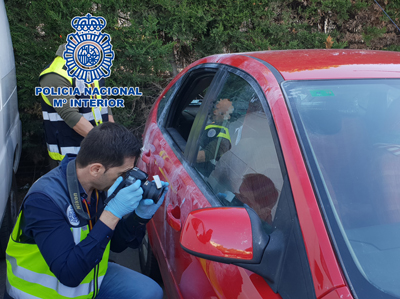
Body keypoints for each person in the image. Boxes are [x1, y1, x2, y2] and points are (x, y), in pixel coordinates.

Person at [5, 122, 168, 299]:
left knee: (148, 291)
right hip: (44, 292)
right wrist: (112, 214)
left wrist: (139, 216)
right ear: (96, 169)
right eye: (122, 174)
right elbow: (69, 274)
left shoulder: (97, 186)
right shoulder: (45, 200)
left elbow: (115, 244)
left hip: (90, 277)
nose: (125, 180)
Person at [39, 44, 114, 163]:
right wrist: (106, 144)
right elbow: (71, 117)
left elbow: (104, 104)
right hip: (69, 158)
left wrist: (113, 136)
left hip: (96, 151)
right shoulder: (55, 74)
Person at [196, 98, 234, 176]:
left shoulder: (224, 137)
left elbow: (202, 156)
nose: (215, 112)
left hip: (204, 175)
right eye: (215, 108)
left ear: (227, 116)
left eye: (219, 110)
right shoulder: (215, 124)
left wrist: (182, 155)